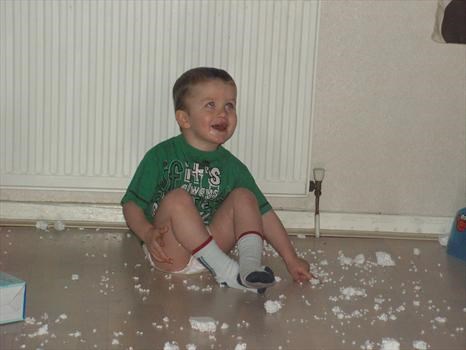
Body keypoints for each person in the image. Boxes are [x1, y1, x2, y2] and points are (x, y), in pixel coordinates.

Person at [121, 67, 313, 293]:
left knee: (244, 196)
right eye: (210, 105)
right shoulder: (160, 156)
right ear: (184, 118)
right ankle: (226, 271)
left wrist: (291, 259)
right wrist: (146, 233)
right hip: (171, 252)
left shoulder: (233, 167)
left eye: (229, 105)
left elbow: (264, 214)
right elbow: (131, 204)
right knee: (178, 199)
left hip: (212, 246)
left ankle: (248, 267)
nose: (223, 113)